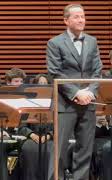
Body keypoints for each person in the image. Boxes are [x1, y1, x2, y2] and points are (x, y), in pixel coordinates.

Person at [46, 4, 102, 179]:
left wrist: (91, 92)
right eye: (77, 16)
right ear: (66, 20)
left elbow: (97, 71)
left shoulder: (92, 41)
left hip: (88, 102)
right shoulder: (54, 43)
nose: (81, 20)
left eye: (83, 16)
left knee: (85, 150)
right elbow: (55, 72)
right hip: (65, 103)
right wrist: (77, 93)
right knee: (60, 151)